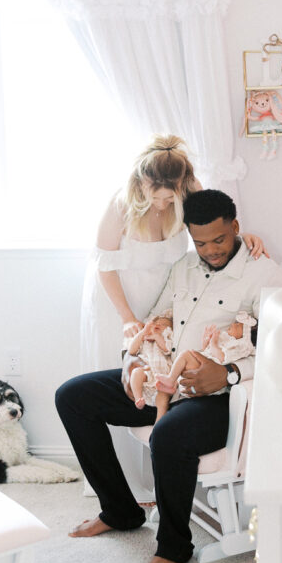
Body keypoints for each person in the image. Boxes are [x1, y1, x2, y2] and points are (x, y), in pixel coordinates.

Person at [56, 189, 282, 563]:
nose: (211, 250)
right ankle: (120, 511)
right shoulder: (184, 266)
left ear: (236, 227)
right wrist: (131, 359)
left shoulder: (267, 278)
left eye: (219, 240)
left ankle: (173, 547)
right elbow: (155, 318)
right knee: (73, 397)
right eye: (201, 242)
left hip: (217, 398)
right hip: (162, 379)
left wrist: (230, 373)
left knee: (167, 434)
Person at [78, 134, 267, 501]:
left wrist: (245, 237)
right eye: (156, 198)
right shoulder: (120, 205)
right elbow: (105, 267)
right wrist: (128, 318)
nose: (164, 205)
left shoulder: (189, 188)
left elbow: (212, 224)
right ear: (140, 184)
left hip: (168, 298)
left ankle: (159, 474)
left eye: (170, 198)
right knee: (124, 380)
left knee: (157, 377)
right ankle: (122, 492)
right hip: (122, 299)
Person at [154, 311, 256, 399]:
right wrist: (206, 343)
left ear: (244, 336)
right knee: (185, 362)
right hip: (196, 374)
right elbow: (208, 354)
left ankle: (171, 380)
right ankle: (173, 384)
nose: (233, 324)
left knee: (185, 355)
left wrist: (213, 344)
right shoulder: (227, 340)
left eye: (238, 325)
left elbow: (221, 358)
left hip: (207, 377)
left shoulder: (237, 348)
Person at [126, 314, 175, 424]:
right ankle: (138, 398)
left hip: (163, 375)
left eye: (164, 324)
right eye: (156, 323)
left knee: (163, 397)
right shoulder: (145, 338)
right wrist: (143, 333)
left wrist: (157, 336)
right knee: (136, 372)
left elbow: (167, 349)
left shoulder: (167, 337)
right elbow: (131, 350)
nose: (159, 325)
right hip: (147, 371)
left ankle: (159, 419)